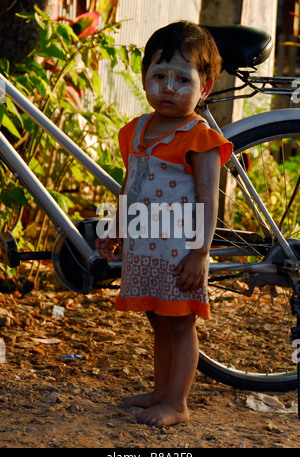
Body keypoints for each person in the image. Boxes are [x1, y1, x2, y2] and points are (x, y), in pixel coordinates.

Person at [96, 21, 233, 427]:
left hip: (179, 253)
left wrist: (201, 254)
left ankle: (178, 403)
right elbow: (130, 185)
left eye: (181, 79)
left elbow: (209, 200)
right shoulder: (136, 130)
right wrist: (115, 228)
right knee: (158, 319)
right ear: (144, 79)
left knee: (180, 324)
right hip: (145, 248)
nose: (168, 87)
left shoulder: (199, 138)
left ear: (204, 88)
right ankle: (161, 391)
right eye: (159, 76)